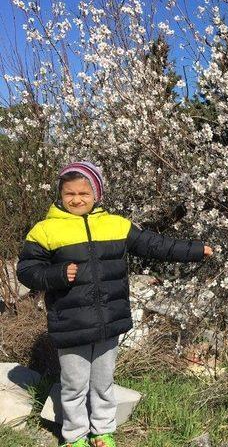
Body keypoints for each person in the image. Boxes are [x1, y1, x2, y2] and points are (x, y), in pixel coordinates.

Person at [17, 161, 213, 447]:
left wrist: (194, 250)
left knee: (103, 383)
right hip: (71, 325)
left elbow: (155, 245)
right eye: (69, 194)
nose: (76, 199)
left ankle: (103, 432)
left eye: (84, 193)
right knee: (73, 385)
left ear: (96, 194)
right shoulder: (45, 230)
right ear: (60, 195)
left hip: (109, 321)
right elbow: (26, 270)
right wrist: (57, 274)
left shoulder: (116, 225)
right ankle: (74, 437)